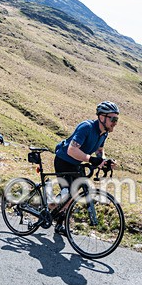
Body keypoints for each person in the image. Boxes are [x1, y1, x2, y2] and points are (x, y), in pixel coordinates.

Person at [52, 101, 120, 235]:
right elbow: (72, 150)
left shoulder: (104, 133)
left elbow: (99, 150)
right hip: (63, 160)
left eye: (117, 120)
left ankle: (59, 222)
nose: (115, 122)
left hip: (76, 163)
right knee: (69, 191)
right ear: (102, 117)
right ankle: (50, 209)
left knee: (76, 193)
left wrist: (103, 161)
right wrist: (91, 159)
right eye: (113, 119)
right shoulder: (86, 127)